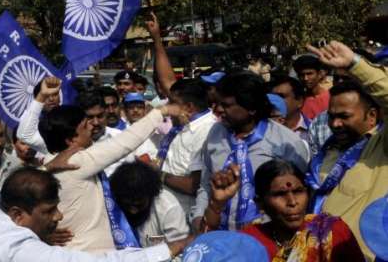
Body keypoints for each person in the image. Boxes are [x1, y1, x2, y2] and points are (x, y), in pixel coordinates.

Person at [0, 167, 180, 262]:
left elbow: (4, 189)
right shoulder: (17, 250)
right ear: (17, 215)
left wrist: (50, 166)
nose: (59, 217)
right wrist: (169, 249)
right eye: (48, 211)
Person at [37, 103, 174, 253]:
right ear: (71, 140)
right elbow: (125, 142)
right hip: (88, 254)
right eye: (85, 125)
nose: (92, 127)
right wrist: (161, 112)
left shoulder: (49, 162)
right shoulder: (74, 162)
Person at [192, 72, 309, 231]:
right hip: (220, 237)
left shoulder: (286, 142)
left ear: (252, 108)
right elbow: (206, 185)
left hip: (268, 240)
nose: (218, 110)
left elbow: (301, 194)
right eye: (217, 103)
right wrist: (199, 219)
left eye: (226, 105)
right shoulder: (215, 134)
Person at [306, 40, 388, 260]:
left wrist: (354, 64)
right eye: (332, 116)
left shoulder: (382, 146)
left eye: (344, 116)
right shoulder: (328, 151)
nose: (335, 124)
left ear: (371, 116)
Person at [210, 159, 364, 261]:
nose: (292, 202)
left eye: (298, 191)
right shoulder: (250, 241)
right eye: (280, 194)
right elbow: (203, 252)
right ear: (260, 203)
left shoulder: (331, 231)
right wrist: (217, 203)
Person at [156, 79, 217, 215]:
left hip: (183, 218)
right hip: (162, 209)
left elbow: (195, 186)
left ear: (189, 107)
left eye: (172, 102)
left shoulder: (207, 131)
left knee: (160, 239)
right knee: (150, 238)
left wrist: (158, 174)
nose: (167, 107)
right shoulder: (183, 124)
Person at [110, 162, 190, 246]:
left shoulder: (168, 208)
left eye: (139, 205)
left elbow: (179, 248)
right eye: (127, 205)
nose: (133, 211)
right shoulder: (112, 203)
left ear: (151, 195)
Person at [16, 77, 62, 154]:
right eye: (46, 96)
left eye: (55, 94)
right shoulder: (33, 124)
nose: (51, 99)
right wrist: (42, 94)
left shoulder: (71, 117)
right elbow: (24, 136)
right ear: (38, 98)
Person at [269, 75, 311, 143]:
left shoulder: (314, 130)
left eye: (281, 96)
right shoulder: (262, 130)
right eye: (272, 97)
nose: (274, 101)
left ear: (300, 101)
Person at [293, 55, 330, 120]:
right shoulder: (297, 100)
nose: (305, 78)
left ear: (319, 74)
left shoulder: (330, 98)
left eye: (309, 74)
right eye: (301, 75)